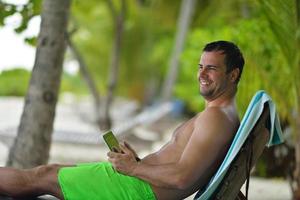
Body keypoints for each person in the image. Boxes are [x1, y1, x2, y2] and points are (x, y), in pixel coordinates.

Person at [0, 40, 244, 200]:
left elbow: (182, 178)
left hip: (135, 191)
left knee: (42, 176)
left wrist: (134, 168)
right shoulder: (221, 116)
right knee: (47, 173)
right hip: (137, 183)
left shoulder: (215, 118)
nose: (201, 74)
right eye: (201, 66)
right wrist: (137, 163)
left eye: (211, 68)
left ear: (233, 75)